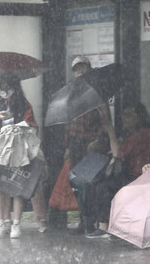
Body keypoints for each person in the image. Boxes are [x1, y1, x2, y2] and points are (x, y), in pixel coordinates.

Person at [0, 73, 47, 239]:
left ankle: (16, 224)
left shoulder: (23, 104)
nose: (4, 89)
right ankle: (0, 223)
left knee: (17, 187)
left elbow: (33, 126)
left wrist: (19, 127)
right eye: (0, 85)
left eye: (7, 85)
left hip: (18, 151)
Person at [85, 103, 150, 238]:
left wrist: (110, 129)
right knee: (95, 183)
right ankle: (94, 221)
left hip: (137, 178)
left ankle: (104, 227)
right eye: (123, 115)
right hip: (130, 175)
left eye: (128, 115)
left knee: (104, 187)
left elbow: (118, 154)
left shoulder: (142, 135)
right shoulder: (131, 134)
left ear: (138, 118)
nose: (124, 118)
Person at [65, 56, 108, 235]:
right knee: (77, 185)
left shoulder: (96, 91)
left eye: (83, 68)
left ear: (89, 69)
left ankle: (93, 221)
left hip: (91, 143)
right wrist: (67, 146)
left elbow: (104, 120)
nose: (80, 72)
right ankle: (84, 220)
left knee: (90, 184)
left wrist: (97, 141)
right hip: (76, 142)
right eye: (77, 69)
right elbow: (68, 122)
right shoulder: (70, 93)